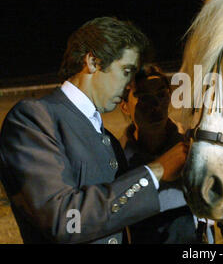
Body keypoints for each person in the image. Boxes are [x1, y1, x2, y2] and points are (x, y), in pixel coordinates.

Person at [0, 17, 188, 244]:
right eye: (126, 71)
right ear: (92, 62)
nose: (130, 85)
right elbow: (63, 220)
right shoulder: (33, 118)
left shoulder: (108, 140)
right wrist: (155, 172)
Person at [119, 64, 215, 243]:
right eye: (144, 98)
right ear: (124, 106)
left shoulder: (195, 148)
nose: (155, 105)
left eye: (161, 95)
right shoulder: (116, 162)